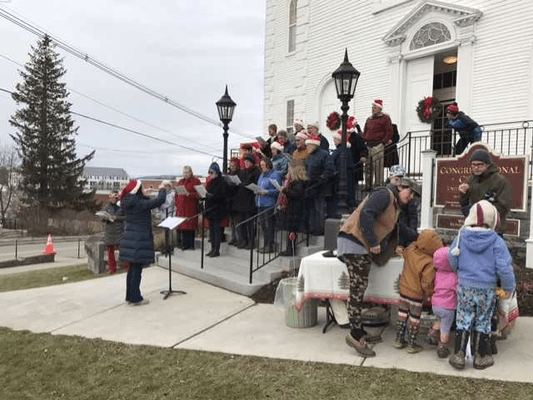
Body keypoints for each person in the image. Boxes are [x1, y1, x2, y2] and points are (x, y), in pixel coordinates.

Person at [337, 177, 420, 357]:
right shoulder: (385, 194)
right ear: (400, 187)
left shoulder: (394, 206)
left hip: (358, 245)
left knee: (360, 288)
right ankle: (355, 335)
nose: (411, 196)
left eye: (414, 194)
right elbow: (367, 213)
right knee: (357, 290)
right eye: (410, 191)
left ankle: (359, 331)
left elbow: (402, 230)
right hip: (354, 242)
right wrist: (373, 242)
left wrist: (421, 238)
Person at [448, 200, 516, 370]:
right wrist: (508, 288)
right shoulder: (496, 241)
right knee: (484, 319)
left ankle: (459, 354)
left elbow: (452, 257)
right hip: (486, 288)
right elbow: (504, 267)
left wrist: (460, 271)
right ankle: (481, 356)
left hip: (465, 285)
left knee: (463, 318)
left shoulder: (461, 237)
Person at [395, 229, 442, 354]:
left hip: (403, 290)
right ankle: (412, 343)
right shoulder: (429, 262)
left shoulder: (410, 251)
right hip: (416, 295)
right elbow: (426, 282)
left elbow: (405, 252)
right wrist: (428, 294)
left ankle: (399, 340)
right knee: (414, 319)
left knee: (402, 316)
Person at [119, 180, 166, 306]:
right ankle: (136, 298)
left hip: (129, 237)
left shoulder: (127, 201)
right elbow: (159, 201)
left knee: (132, 269)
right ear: (137, 190)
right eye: (142, 188)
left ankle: (130, 296)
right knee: (136, 270)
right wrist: (162, 190)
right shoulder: (139, 203)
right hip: (139, 238)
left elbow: (138, 199)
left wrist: (143, 193)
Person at [458, 149, 512, 235]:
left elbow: (503, 206)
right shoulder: (471, 179)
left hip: (493, 229)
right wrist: (464, 193)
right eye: (473, 164)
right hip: (473, 227)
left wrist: (480, 212)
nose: (476, 167)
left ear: (488, 165)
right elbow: (463, 203)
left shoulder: (500, 181)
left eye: (480, 164)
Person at [427, 247, 458, 359]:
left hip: (435, 305)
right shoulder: (454, 276)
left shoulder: (437, 273)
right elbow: (457, 290)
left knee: (439, 320)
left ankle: (432, 334)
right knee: (446, 327)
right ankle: (442, 347)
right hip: (448, 307)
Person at [305, 134, 334, 236]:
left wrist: (321, 179)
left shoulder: (324, 154)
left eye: (308, 145)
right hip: (310, 186)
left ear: (314, 145)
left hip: (320, 187)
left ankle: (320, 229)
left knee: (319, 209)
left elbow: (329, 170)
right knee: (312, 210)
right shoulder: (308, 156)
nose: (307, 147)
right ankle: (312, 228)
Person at [361, 99, 393, 189]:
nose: (373, 109)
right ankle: (368, 185)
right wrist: (364, 138)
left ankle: (378, 185)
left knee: (378, 167)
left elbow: (389, 131)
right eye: (372, 107)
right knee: (367, 167)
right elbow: (365, 130)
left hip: (378, 145)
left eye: (375, 107)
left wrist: (383, 142)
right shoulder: (369, 119)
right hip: (368, 145)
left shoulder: (385, 118)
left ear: (379, 108)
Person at [278, 161, 307, 256]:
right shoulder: (295, 182)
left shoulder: (298, 182)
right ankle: (289, 248)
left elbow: (297, 194)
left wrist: (285, 191)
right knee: (290, 228)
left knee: (292, 229)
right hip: (292, 208)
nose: (289, 171)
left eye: (290, 168)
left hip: (295, 209)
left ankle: (291, 249)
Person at [386, 165, 419, 248]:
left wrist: (412, 235)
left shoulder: (408, 196)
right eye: (396, 179)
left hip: (404, 232)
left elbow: (412, 216)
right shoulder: (385, 194)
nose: (398, 183)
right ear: (390, 178)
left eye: (400, 180)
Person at [233, 154, 260, 249]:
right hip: (241, 201)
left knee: (250, 224)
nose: (246, 163)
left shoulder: (255, 172)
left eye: (248, 162)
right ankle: (244, 240)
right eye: (245, 162)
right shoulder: (242, 172)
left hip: (250, 201)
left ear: (252, 163)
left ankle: (251, 242)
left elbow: (255, 184)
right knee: (242, 223)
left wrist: (245, 184)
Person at [256, 158, 281, 253]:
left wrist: (267, 192)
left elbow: (278, 190)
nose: (261, 167)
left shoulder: (275, 175)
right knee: (262, 225)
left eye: (263, 165)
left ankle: (270, 244)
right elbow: (259, 186)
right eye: (260, 165)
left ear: (268, 165)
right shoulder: (261, 175)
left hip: (269, 203)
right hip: (260, 203)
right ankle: (266, 243)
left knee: (269, 225)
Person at [329, 130, 355, 216]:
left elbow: (337, 163)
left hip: (341, 177)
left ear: (340, 140)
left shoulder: (342, 150)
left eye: (336, 139)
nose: (334, 141)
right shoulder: (343, 150)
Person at [204, 163, 228, 258]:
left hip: (217, 209)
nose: (210, 174)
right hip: (210, 209)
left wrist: (212, 196)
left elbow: (222, 196)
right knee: (211, 231)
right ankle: (212, 248)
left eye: (212, 172)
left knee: (216, 231)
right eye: (209, 172)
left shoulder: (221, 182)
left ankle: (216, 250)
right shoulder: (211, 182)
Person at [175, 166, 201, 250]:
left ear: (190, 172)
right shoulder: (180, 182)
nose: (185, 174)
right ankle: (184, 244)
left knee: (190, 226)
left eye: (187, 172)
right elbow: (176, 194)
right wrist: (177, 202)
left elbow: (199, 194)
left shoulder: (195, 181)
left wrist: (189, 194)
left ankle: (191, 244)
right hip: (181, 207)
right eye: (184, 173)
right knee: (183, 226)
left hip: (190, 206)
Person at [102, 191, 124, 274]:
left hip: (119, 230)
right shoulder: (107, 207)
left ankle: (126, 266)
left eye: (113, 197)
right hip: (110, 231)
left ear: (116, 197)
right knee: (110, 250)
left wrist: (117, 218)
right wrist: (106, 218)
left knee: (123, 249)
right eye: (110, 198)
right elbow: (102, 218)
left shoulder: (121, 206)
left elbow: (125, 217)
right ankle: (112, 268)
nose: (112, 199)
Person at [227, 157, 241, 245]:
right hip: (230, 201)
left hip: (237, 201)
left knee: (237, 222)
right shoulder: (229, 175)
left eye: (233, 165)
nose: (232, 167)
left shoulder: (239, 174)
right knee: (232, 222)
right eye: (231, 165)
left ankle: (238, 238)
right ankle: (233, 237)